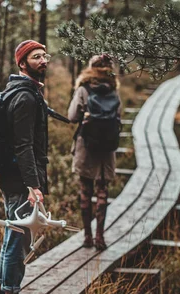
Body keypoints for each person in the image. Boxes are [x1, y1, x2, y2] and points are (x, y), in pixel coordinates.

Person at [0, 40, 50, 294]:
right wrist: (34, 185)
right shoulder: (25, 97)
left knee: (11, 233)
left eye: (44, 55)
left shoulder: (22, 92)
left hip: (14, 177)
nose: (43, 60)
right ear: (22, 63)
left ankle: (1, 293)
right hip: (21, 180)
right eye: (36, 57)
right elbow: (23, 145)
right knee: (19, 237)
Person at [67, 54, 121, 250]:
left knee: (85, 191)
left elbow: (72, 117)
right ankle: (100, 237)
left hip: (86, 145)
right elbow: (119, 116)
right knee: (102, 192)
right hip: (106, 149)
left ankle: (87, 237)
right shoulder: (114, 91)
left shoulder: (83, 89)